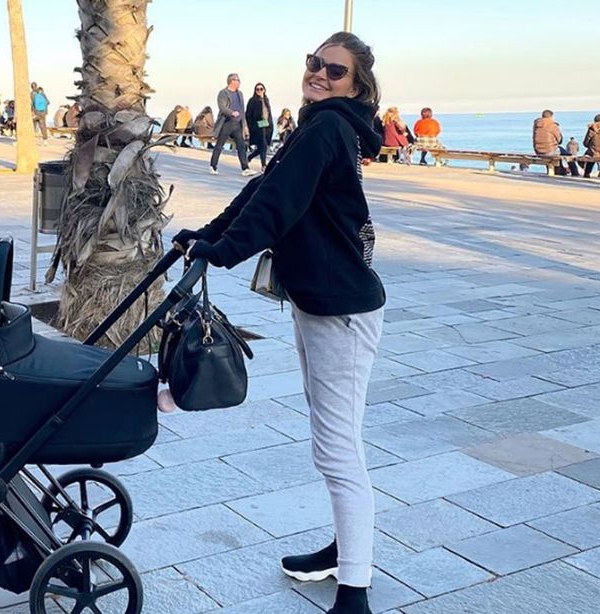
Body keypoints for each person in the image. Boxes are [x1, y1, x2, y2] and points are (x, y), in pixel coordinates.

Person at [175, 31, 384, 614]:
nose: (319, 74)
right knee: (334, 440)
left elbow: (278, 205)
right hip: (325, 303)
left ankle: (355, 590)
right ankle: (345, 551)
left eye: (335, 71)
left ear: (357, 83)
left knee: (337, 450)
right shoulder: (321, 124)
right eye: (314, 63)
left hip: (341, 311)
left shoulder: (328, 128)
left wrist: (225, 250)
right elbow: (261, 187)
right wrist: (211, 234)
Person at [209, 73, 254, 176]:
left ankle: (245, 168)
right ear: (231, 81)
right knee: (219, 145)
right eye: (237, 80)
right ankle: (213, 165)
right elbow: (222, 107)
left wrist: (245, 125)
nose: (239, 82)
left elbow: (242, 110)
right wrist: (231, 112)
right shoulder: (223, 93)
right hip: (227, 122)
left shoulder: (240, 94)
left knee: (241, 146)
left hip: (238, 124)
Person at [533, 109, 579, 176]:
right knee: (568, 155)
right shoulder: (552, 125)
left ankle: (561, 171)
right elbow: (560, 140)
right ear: (551, 117)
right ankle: (575, 173)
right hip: (550, 150)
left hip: (538, 150)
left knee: (558, 153)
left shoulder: (536, 125)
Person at [246, 82, 274, 171]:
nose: (259, 91)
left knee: (263, 146)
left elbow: (268, 113)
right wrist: (250, 126)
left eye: (261, 89)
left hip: (267, 125)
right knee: (263, 145)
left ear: (264, 90)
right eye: (257, 89)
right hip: (258, 124)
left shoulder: (266, 100)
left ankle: (250, 157)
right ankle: (264, 165)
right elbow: (248, 114)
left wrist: (271, 123)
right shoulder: (252, 100)